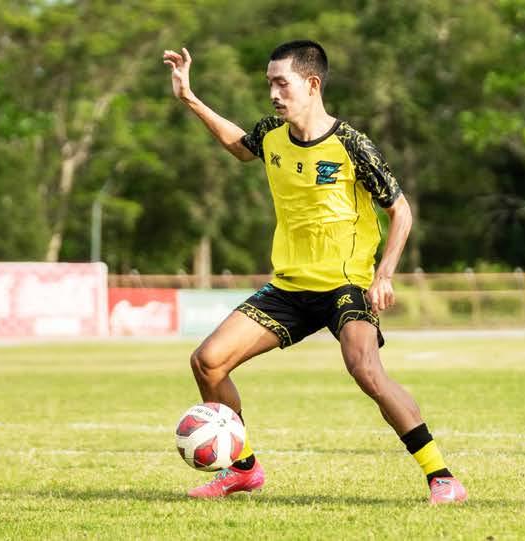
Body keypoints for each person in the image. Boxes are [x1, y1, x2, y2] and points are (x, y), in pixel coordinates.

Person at [162, 40, 465, 504]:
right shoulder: (271, 134)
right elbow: (240, 147)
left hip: (346, 285)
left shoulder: (352, 145)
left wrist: (384, 274)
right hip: (288, 287)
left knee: (365, 370)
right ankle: (243, 469)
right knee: (208, 361)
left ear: (312, 84)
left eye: (282, 83)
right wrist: (189, 98)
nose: (273, 93)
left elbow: (400, 210)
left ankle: (440, 476)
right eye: (269, 84)